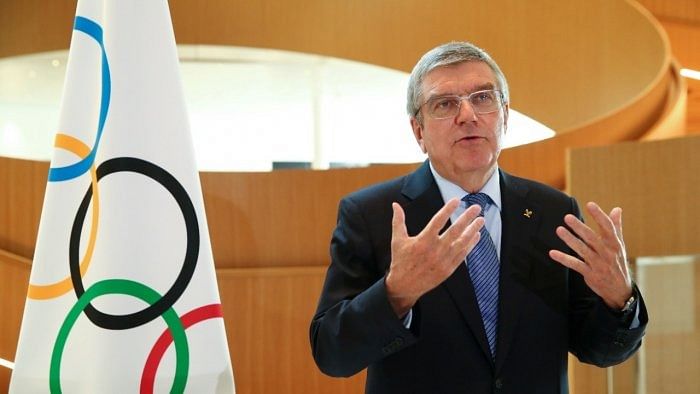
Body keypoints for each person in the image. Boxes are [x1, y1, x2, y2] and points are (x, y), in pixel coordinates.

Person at [309, 41, 647, 393]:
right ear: (418, 131)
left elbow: (599, 349)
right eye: (445, 104)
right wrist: (395, 294)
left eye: (483, 98)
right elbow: (332, 354)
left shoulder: (553, 211)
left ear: (505, 115)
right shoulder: (373, 214)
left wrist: (619, 300)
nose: (468, 115)